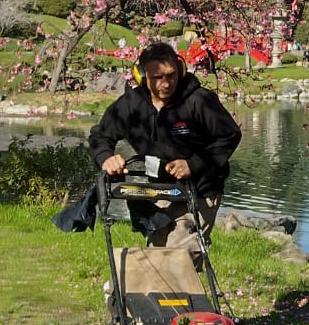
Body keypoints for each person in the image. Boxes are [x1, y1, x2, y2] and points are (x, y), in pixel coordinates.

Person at [89, 41, 242, 258]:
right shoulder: (131, 105)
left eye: (171, 75)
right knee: (158, 254)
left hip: (199, 191)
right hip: (159, 191)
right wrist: (106, 158)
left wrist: (193, 163)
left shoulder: (199, 101)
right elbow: (100, 135)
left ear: (180, 70)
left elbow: (229, 135)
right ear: (142, 77)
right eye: (157, 78)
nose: (166, 84)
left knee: (181, 259)